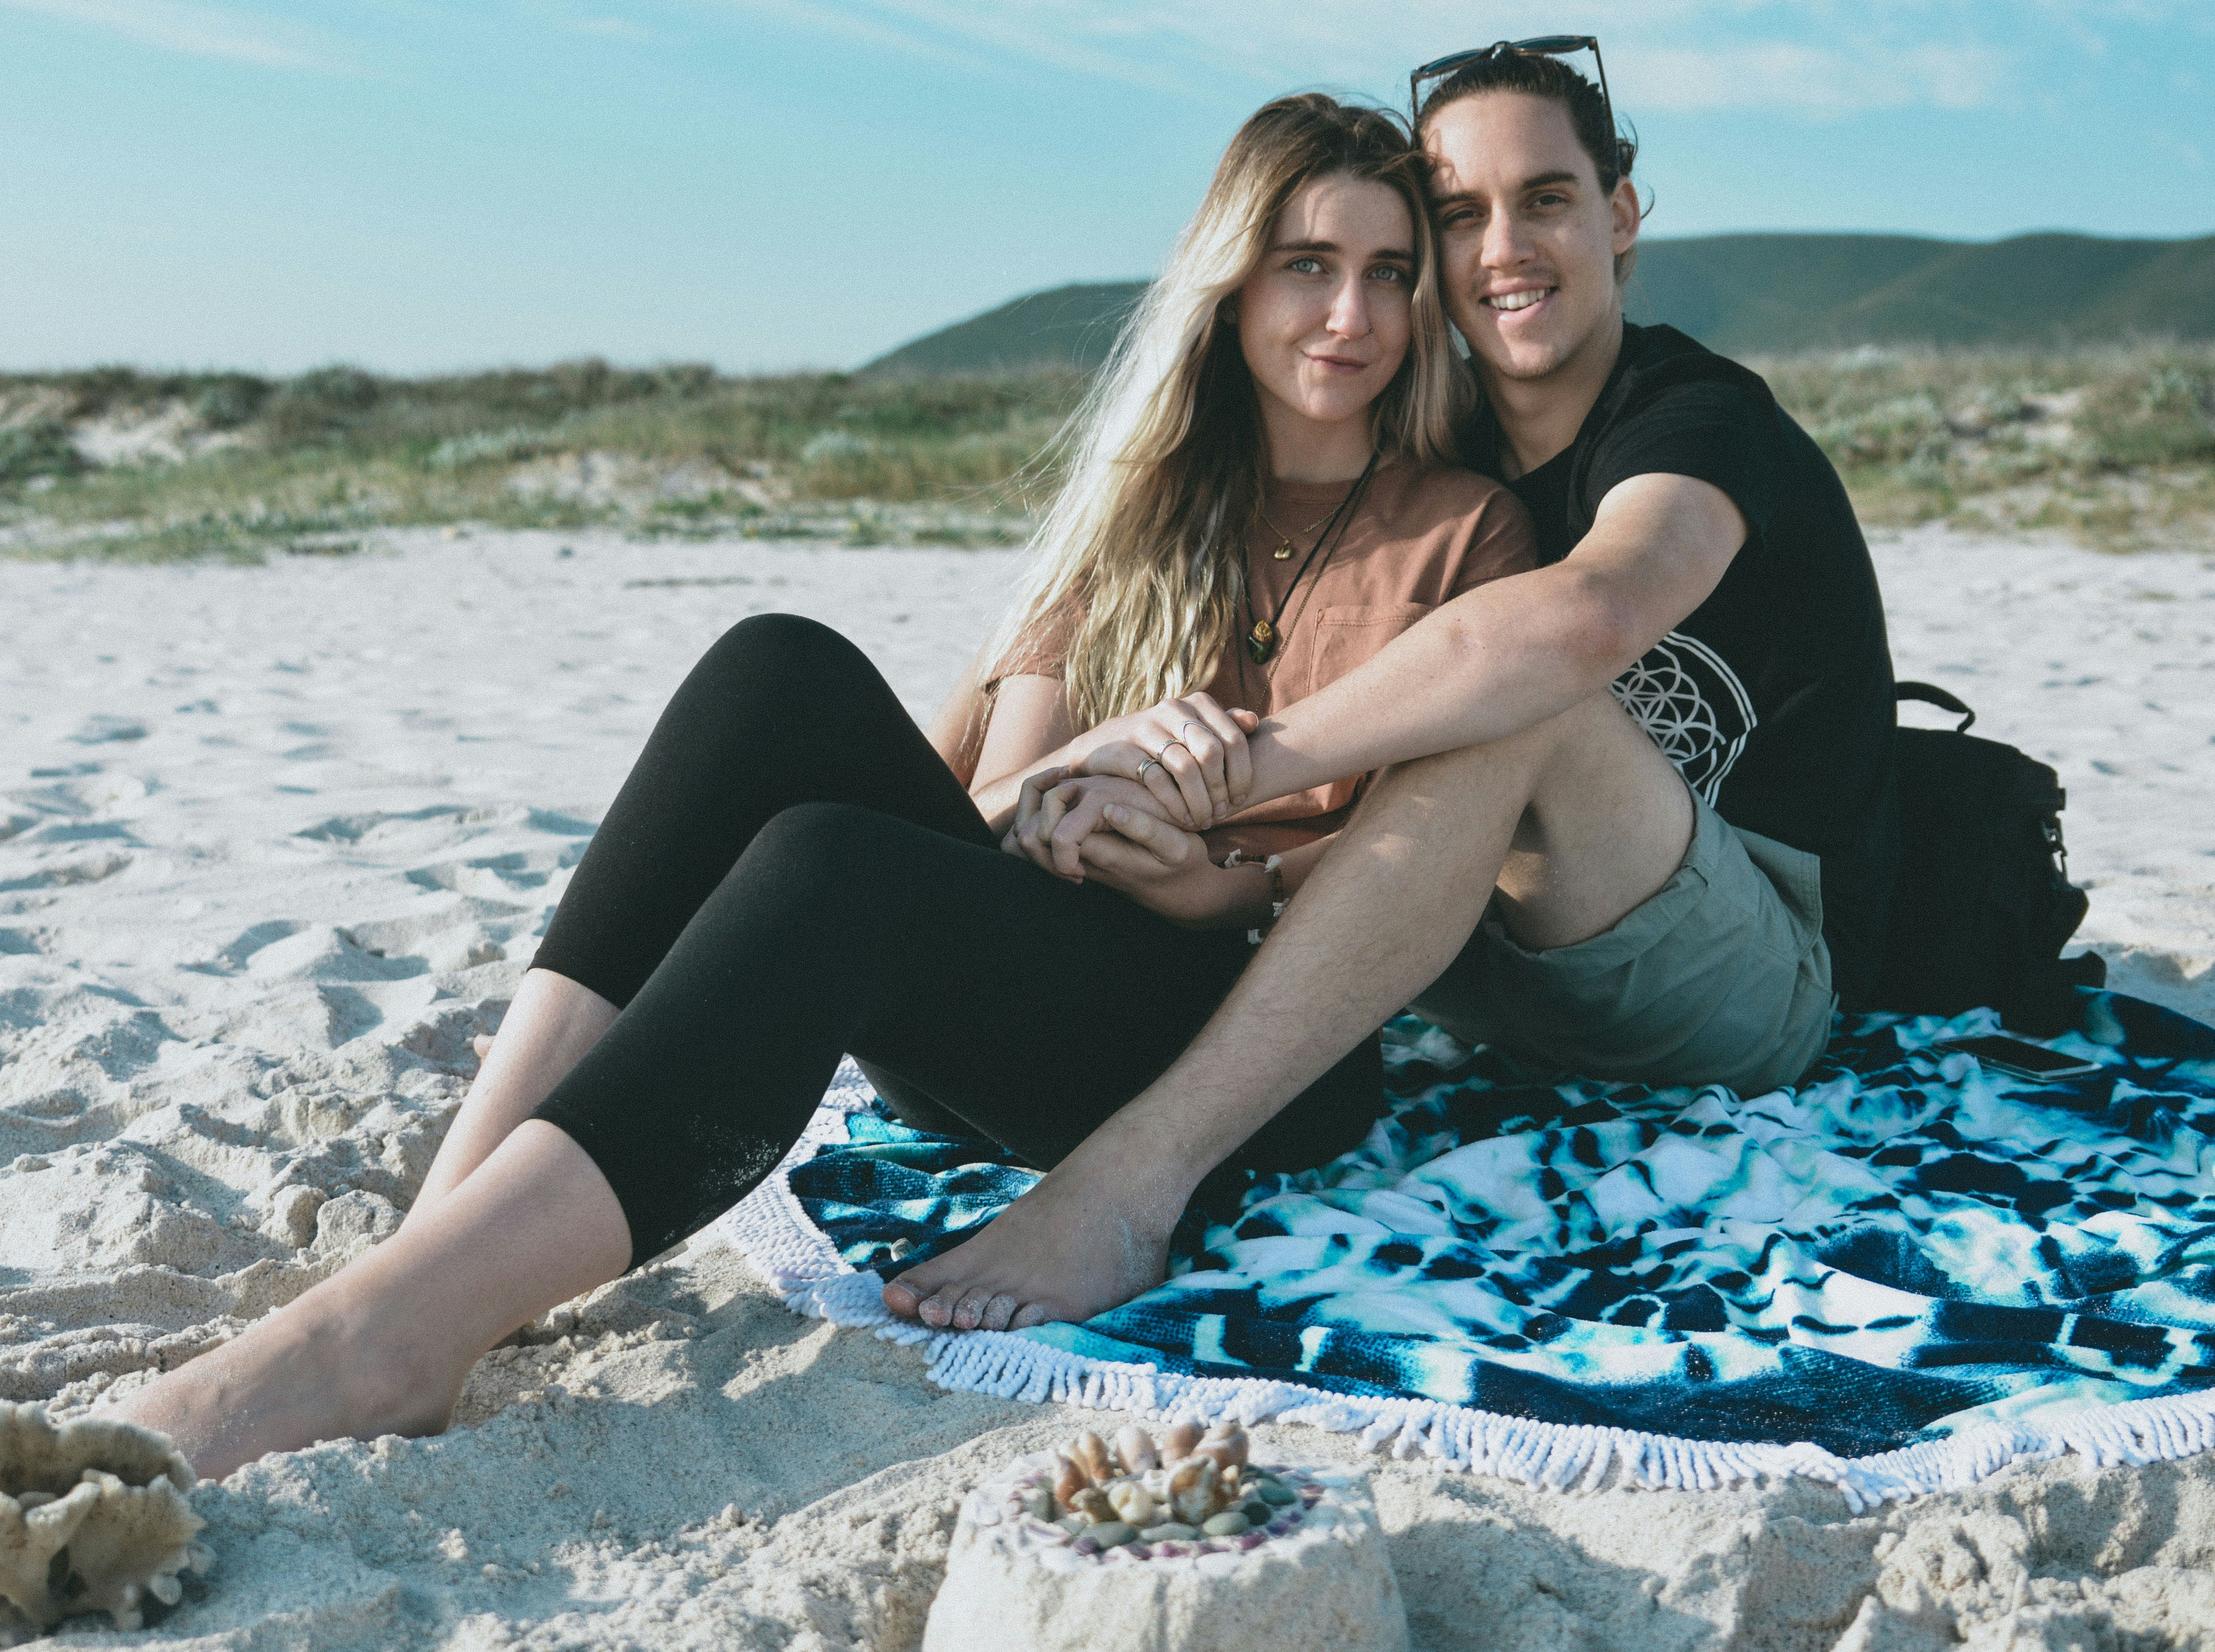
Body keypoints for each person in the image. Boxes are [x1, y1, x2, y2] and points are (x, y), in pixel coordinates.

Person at [110, 92, 1536, 1482]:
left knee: (831, 864)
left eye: (1388, 276)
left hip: (1251, 1051)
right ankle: (448, 1234)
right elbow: (994, 811)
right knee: (774, 668)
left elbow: (1400, 875)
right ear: (1228, 284)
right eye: (1307, 267)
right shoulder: (1136, 516)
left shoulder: (1464, 531)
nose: (1349, 318)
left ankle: (393, 1342)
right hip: (1030, 997)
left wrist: (1198, 874)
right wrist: (1067, 802)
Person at [884, 38, 1900, 1335]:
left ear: (1620, 216)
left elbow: (1590, 614)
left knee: (1514, 696)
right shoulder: (1440, 453)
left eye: (1544, 199)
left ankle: (1134, 1186)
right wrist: (1141, 827)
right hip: (1481, 968)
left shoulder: (1692, 420)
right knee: (1426, 689)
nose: (1502, 249)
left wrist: (1228, 769)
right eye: (1459, 216)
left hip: (1746, 981)